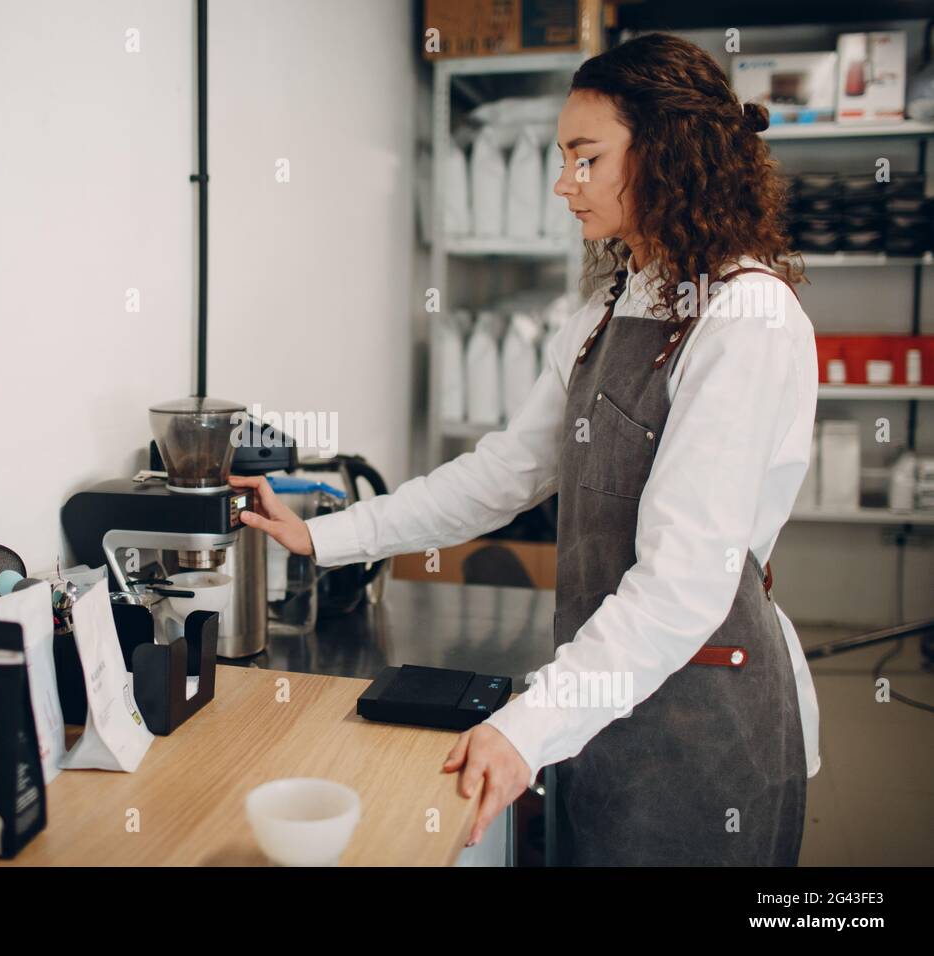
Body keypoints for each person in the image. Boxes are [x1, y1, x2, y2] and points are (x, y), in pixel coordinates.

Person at [230, 32, 820, 866]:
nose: (562, 183)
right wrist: (327, 534)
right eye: (561, 158)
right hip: (598, 696)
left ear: (670, 153)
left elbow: (684, 583)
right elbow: (505, 473)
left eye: (587, 158)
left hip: (702, 716)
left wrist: (528, 724)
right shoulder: (605, 314)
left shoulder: (746, 322)